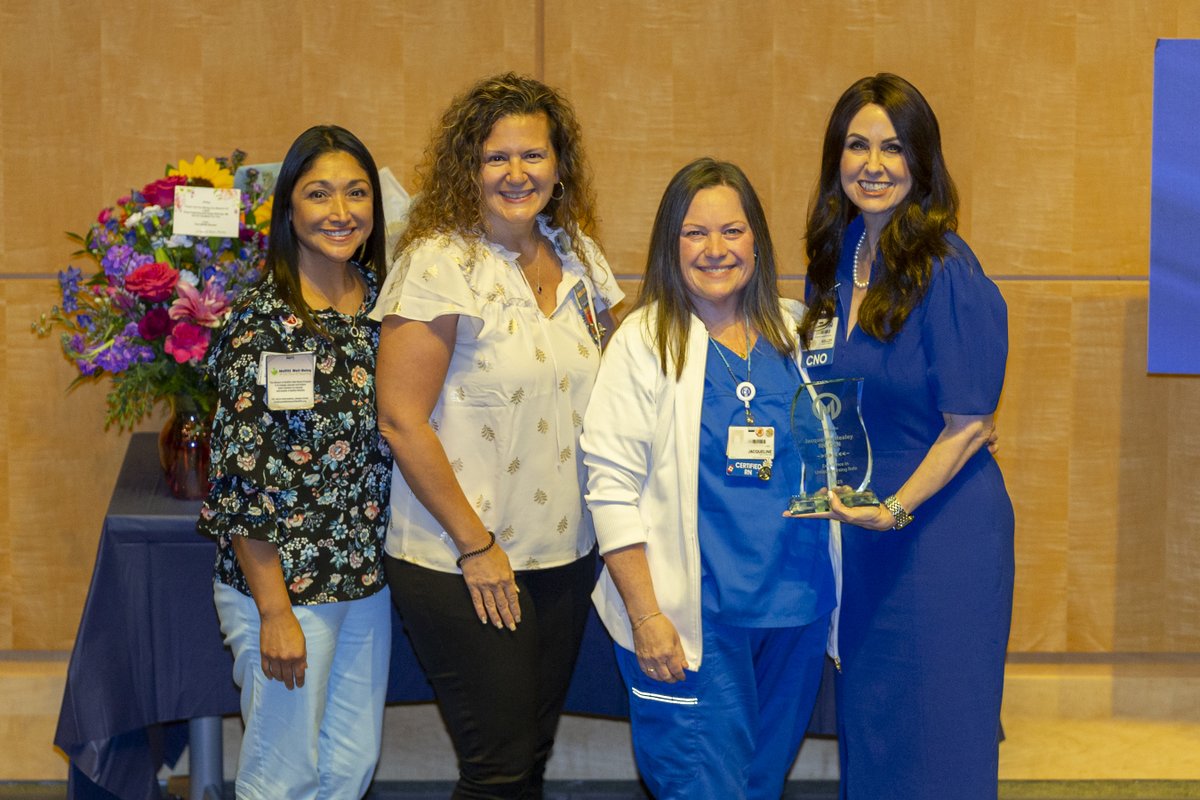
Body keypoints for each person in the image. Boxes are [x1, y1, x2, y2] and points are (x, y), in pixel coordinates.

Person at [371, 72, 622, 799]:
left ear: (559, 164)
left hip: (565, 554)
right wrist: (477, 547)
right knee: (499, 771)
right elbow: (399, 417)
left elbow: (623, 378)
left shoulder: (579, 256)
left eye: (533, 156)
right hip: (464, 559)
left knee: (526, 758)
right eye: (495, 158)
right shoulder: (439, 264)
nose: (517, 173)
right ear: (467, 169)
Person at [581, 158, 837, 800]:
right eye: (695, 233)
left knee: (757, 786)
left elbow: (860, 425)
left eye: (733, 230)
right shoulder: (644, 340)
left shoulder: (801, 330)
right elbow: (609, 487)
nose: (716, 249)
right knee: (699, 786)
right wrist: (645, 616)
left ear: (758, 240)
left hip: (796, 610)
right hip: (691, 620)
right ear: (671, 245)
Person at [793, 73, 1014, 799]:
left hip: (939, 532)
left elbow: (971, 425)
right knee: (877, 725)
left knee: (939, 730)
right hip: (863, 536)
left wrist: (894, 509)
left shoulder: (946, 267)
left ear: (922, 161)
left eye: (893, 147)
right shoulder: (837, 262)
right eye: (857, 145)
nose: (873, 164)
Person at [198, 125, 393, 799]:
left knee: (349, 767)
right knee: (281, 777)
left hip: (363, 581)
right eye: (320, 194)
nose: (341, 211)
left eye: (356, 192)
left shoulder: (388, 310)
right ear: (289, 211)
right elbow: (240, 484)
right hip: (281, 588)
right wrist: (274, 611)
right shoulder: (259, 322)